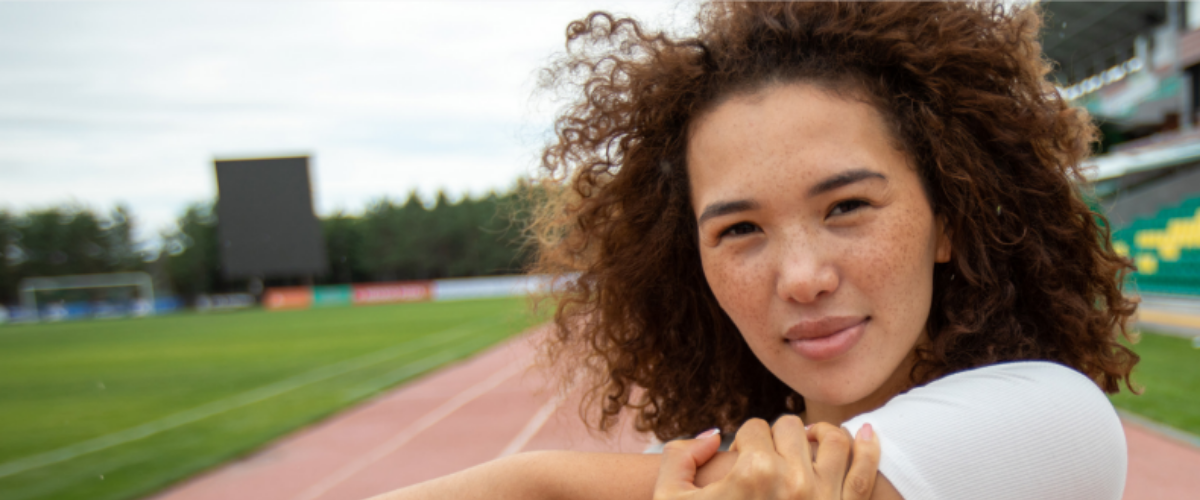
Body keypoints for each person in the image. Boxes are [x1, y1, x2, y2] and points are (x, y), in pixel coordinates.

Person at [370, 2, 1139, 499]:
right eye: (739, 230)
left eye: (848, 207)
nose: (802, 278)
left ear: (950, 221)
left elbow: (539, 489)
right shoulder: (688, 466)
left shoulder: (1050, 423)